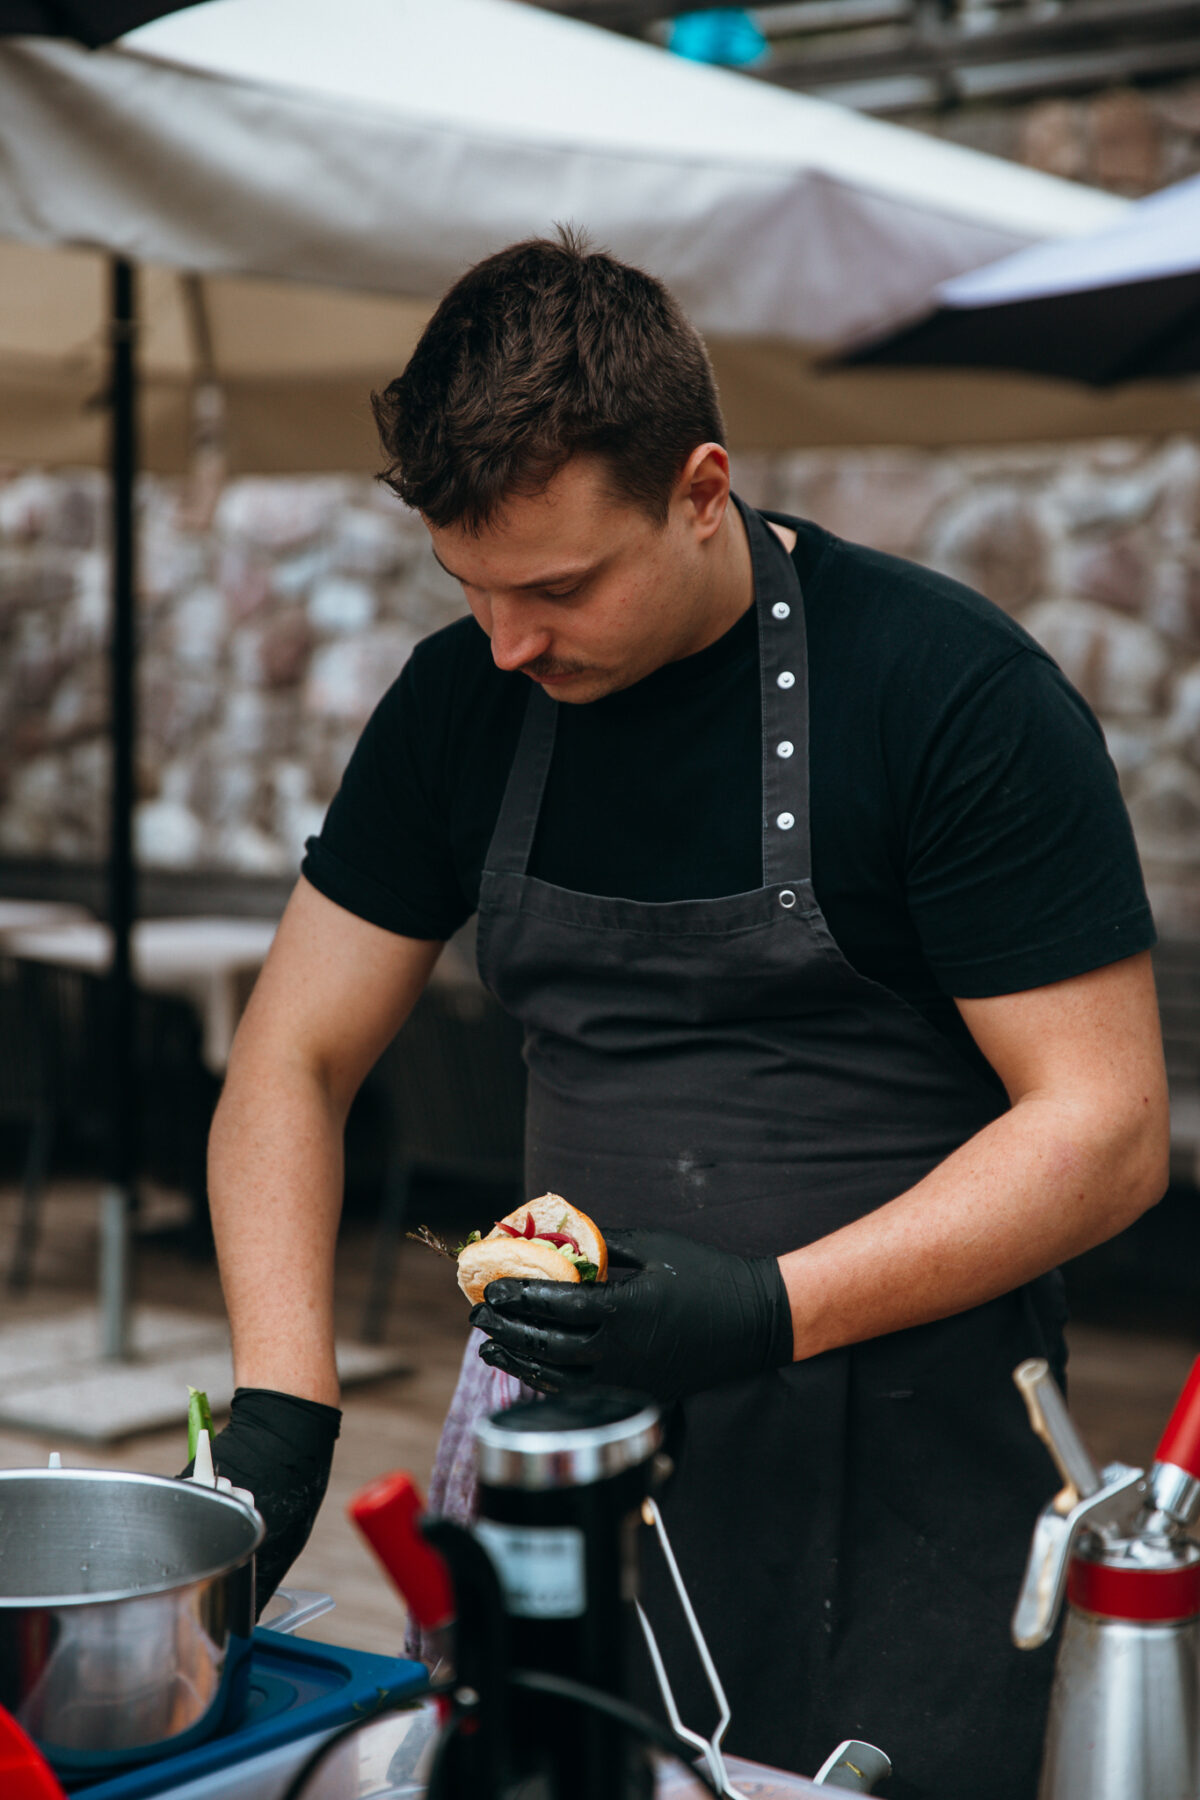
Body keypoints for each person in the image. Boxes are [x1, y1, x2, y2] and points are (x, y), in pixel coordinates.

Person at [202, 233, 1168, 1799]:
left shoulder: (947, 697)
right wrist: (280, 1405)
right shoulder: (463, 706)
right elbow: (292, 1060)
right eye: (473, 588)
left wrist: (768, 1305)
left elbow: (1107, 1130)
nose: (509, 642)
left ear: (703, 487)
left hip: (911, 1457)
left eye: (559, 588)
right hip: (575, 1459)